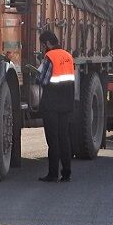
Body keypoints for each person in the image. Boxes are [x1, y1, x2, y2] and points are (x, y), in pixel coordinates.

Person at [34, 30, 75, 182]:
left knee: (53, 139)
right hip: (66, 104)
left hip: (51, 105)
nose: (43, 47)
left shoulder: (49, 57)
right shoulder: (68, 56)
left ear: (47, 43)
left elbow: (42, 80)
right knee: (64, 137)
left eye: (42, 44)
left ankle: (52, 174)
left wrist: (36, 72)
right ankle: (66, 173)